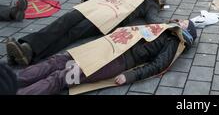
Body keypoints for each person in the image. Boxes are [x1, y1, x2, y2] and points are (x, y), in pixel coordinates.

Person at [15, 20, 197, 95]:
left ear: (185, 33)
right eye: (182, 20)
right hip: (105, 47)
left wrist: (130, 76)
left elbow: (158, 65)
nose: (180, 21)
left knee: (63, 76)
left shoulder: (173, 42)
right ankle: (11, 82)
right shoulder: (165, 27)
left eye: (184, 23)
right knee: (57, 61)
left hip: (117, 61)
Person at [6, 0, 167, 66]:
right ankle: (25, 51)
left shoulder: (150, 3)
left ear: (159, 0)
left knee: (72, 33)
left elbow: (154, 20)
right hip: (96, 7)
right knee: (65, 19)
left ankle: (28, 51)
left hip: (106, 19)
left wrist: (172, 24)